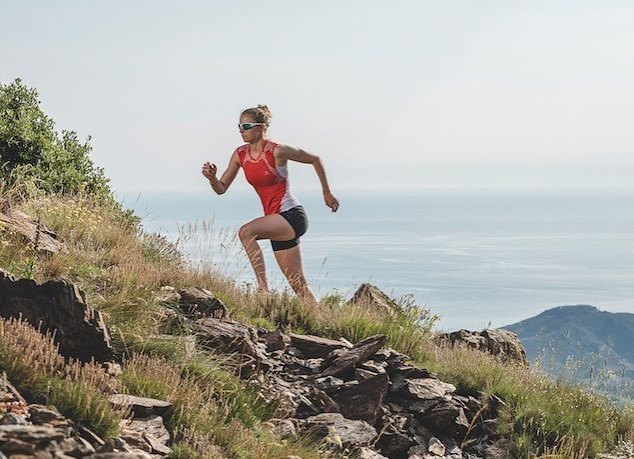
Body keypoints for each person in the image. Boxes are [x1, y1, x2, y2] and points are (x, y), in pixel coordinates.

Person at [202, 105, 339, 303]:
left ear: (262, 127)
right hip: (276, 221)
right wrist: (212, 179)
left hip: (291, 215)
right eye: (239, 126)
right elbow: (221, 188)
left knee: (246, 232)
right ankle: (325, 322)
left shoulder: (277, 151)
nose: (242, 131)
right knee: (298, 285)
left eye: (246, 126)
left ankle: (263, 290)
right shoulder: (240, 155)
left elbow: (315, 159)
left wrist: (326, 192)